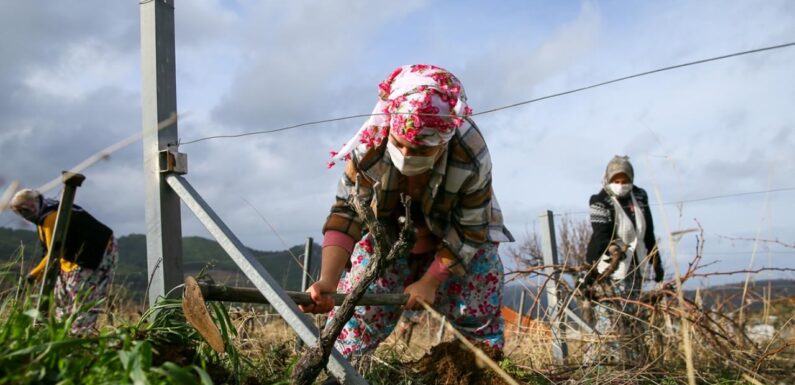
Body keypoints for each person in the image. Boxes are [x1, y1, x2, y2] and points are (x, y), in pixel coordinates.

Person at [301, 64, 513, 366]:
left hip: (457, 244)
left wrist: (431, 280)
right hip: (389, 239)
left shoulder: (470, 152)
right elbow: (347, 213)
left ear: (444, 142)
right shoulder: (370, 145)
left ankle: (480, 369)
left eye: (422, 150)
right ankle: (339, 370)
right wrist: (328, 280)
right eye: (401, 144)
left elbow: (470, 227)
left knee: (475, 310)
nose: (408, 156)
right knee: (358, 312)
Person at [583, 155, 664, 363]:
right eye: (616, 181)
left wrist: (657, 262)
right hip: (610, 269)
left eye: (625, 180)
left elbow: (649, 232)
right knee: (610, 318)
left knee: (631, 317)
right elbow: (600, 237)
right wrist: (590, 274)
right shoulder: (600, 201)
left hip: (635, 267)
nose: (621, 185)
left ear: (631, 179)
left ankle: (633, 364)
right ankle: (600, 365)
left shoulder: (640, 196)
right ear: (608, 179)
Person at [10, 189, 117, 335]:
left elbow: (54, 252)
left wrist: (33, 276)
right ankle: (62, 337)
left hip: (95, 254)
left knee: (82, 302)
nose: (24, 216)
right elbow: (48, 251)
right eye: (20, 213)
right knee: (62, 300)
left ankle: (77, 341)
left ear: (33, 205)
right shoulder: (44, 214)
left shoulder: (51, 217)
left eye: (25, 211)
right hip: (69, 260)